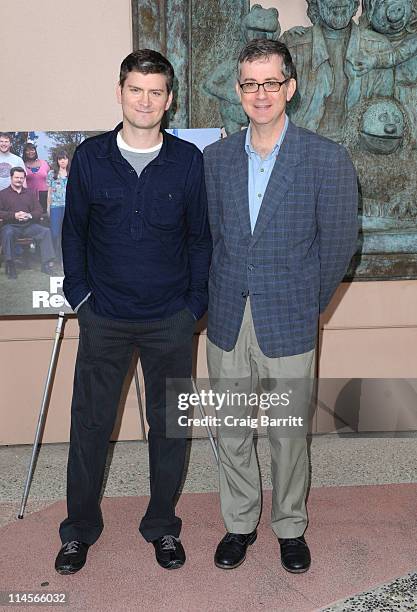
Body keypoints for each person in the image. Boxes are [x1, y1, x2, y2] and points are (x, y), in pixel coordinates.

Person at [203, 39, 358, 574]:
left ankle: (290, 525)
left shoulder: (325, 157)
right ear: (239, 91)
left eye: (271, 82)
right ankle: (240, 523)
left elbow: (339, 243)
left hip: (289, 316)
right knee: (229, 427)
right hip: (226, 317)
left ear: (290, 87)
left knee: (288, 432)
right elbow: (214, 238)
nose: (260, 93)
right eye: (250, 83)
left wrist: (306, 300)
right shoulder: (216, 159)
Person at [55, 49, 211, 575]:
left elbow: (199, 240)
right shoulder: (91, 158)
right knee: (90, 426)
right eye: (135, 89)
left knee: (169, 427)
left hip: (171, 320)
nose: (145, 100)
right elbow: (73, 231)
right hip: (105, 318)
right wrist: (82, 298)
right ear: (120, 92)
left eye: (156, 91)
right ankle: (78, 531)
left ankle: (162, 527)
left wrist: (192, 307)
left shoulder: (189, 160)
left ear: (169, 99)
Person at [281, 0, 395, 142]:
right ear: (316, 4)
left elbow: (384, 111)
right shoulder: (293, 46)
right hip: (304, 146)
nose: (339, 2)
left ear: (355, 4)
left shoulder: (378, 48)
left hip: (359, 151)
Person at [0, 167, 56, 279]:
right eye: (16, 177)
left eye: (21, 178)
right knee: (7, 233)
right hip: (11, 226)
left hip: (28, 226)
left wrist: (29, 215)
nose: (19, 180)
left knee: (45, 231)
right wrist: (14, 215)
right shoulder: (3, 194)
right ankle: (11, 265)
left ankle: (45, 265)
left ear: (24, 178)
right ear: (11, 178)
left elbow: (39, 210)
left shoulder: (30, 193)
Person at [46, 151, 70, 261]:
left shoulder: (73, 172)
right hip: (55, 207)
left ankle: (63, 258)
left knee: (66, 233)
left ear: (68, 160)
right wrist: (48, 207)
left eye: (64, 158)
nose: (62, 161)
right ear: (57, 161)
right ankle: (52, 257)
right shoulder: (52, 173)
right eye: (60, 159)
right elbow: (49, 192)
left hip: (68, 207)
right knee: (55, 233)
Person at [23, 143, 50, 211]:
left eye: (32, 149)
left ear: (35, 151)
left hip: (44, 195)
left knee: (45, 217)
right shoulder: (22, 164)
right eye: (27, 150)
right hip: (29, 195)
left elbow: (51, 178)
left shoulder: (44, 163)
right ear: (25, 152)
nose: (30, 152)